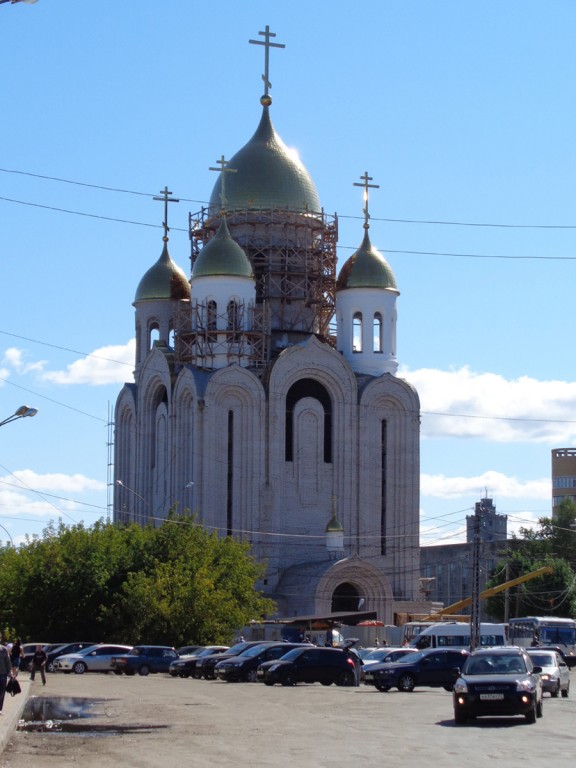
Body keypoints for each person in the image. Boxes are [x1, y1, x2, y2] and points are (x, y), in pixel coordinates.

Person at [0, 640, 11, 714]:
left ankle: (0, 708)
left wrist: (9, 672)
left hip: (3, 674)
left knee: (2, 691)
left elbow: (8, 661)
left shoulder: (4, 649)